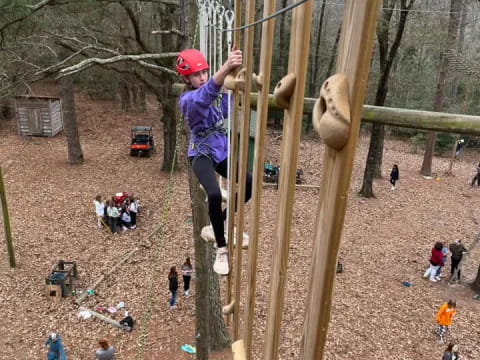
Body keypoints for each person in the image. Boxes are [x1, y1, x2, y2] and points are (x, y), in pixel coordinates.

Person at [177, 48, 252, 275]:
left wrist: (236, 83)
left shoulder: (215, 95)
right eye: (196, 75)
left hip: (219, 151)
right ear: (186, 79)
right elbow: (208, 93)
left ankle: (222, 220)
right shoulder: (189, 100)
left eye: (204, 73)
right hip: (200, 154)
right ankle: (221, 249)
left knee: (248, 183)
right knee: (214, 195)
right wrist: (226, 67)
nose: (202, 78)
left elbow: (225, 102)